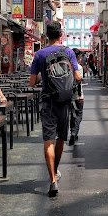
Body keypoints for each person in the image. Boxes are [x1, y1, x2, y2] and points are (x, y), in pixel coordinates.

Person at [29, 21, 81, 197]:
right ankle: (55, 169)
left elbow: (32, 82)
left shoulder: (39, 54)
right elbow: (77, 77)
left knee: (48, 140)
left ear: (46, 36)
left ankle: (52, 179)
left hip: (48, 101)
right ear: (61, 35)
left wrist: (42, 78)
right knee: (60, 138)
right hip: (64, 101)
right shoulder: (68, 52)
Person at [69, 49, 84, 146]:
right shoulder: (78, 67)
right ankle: (74, 133)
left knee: (72, 115)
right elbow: (79, 81)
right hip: (77, 95)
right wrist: (80, 95)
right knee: (78, 114)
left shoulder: (66, 66)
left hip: (67, 95)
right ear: (78, 57)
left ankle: (72, 132)